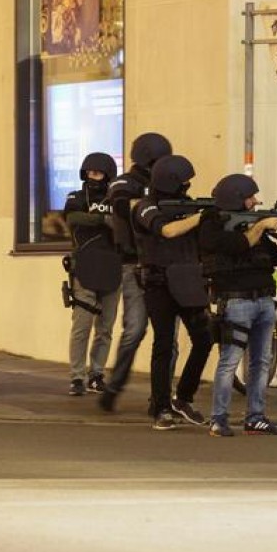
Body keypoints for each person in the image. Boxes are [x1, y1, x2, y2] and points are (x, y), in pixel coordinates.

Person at [198, 173, 277, 437]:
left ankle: (256, 417)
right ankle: (218, 419)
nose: (255, 201)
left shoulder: (253, 225)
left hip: (264, 299)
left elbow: (275, 258)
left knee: (261, 362)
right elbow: (237, 245)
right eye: (250, 197)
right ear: (236, 198)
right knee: (229, 362)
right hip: (236, 300)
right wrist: (262, 225)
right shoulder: (213, 223)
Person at [132, 155, 213, 430]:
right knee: (164, 344)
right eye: (184, 182)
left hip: (189, 279)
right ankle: (161, 406)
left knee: (204, 338)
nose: (188, 186)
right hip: (159, 282)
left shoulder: (188, 207)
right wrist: (200, 218)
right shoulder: (145, 207)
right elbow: (167, 230)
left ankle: (183, 398)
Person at [99, 132, 173, 412]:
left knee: (168, 337)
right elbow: (119, 200)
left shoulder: (165, 184)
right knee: (135, 329)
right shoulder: (125, 183)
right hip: (133, 264)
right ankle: (114, 386)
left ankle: (161, 398)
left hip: (164, 264)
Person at [62, 152, 122, 396]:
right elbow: (72, 217)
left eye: (97, 173)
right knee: (81, 326)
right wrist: (101, 219)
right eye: (88, 173)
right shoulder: (76, 197)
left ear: (107, 175)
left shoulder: (116, 198)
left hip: (112, 266)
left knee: (105, 327)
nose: (92, 177)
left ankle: (96, 374)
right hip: (85, 267)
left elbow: (124, 222)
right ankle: (77, 377)